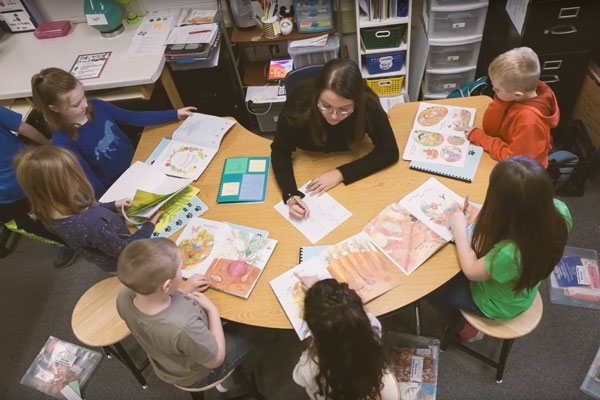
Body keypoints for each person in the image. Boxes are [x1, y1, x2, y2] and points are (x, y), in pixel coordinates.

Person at [427, 156, 571, 341]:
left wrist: (459, 229)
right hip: (521, 288)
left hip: (494, 304)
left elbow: (471, 271)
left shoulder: (510, 253)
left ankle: (465, 329)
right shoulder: (561, 211)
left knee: (433, 287)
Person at [116, 238, 274, 392]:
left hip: (171, 361)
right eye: (180, 269)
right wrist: (212, 311)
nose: (182, 272)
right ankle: (232, 380)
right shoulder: (182, 327)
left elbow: (156, 309)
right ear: (167, 285)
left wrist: (184, 290)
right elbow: (216, 359)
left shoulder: (124, 297)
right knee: (264, 327)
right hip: (201, 372)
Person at [30, 67, 197, 197]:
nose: (85, 104)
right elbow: (88, 180)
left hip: (139, 161)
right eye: (75, 104)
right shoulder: (63, 141)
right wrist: (110, 206)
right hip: (119, 184)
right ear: (55, 108)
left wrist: (174, 114)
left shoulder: (97, 105)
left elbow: (133, 117)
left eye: (83, 96)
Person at [271, 59, 399, 219]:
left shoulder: (368, 104)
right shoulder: (300, 100)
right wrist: (290, 194)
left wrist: (341, 173)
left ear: (357, 102)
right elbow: (280, 150)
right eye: (325, 106)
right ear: (316, 95)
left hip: (349, 177)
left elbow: (389, 151)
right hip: (307, 164)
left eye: (344, 109)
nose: (333, 116)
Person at [14, 146, 161, 272]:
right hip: (125, 261)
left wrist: (113, 205)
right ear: (57, 187)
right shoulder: (91, 224)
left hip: (108, 246)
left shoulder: (49, 208)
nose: (79, 178)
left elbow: (87, 210)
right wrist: (149, 225)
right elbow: (127, 250)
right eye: (73, 176)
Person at [292, 277, 398, 400]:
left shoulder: (310, 365)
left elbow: (298, 378)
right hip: (368, 388)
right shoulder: (374, 331)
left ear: (314, 332)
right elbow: (349, 315)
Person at [0, 105, 77, 268]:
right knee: (56, 201)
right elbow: (23, 127)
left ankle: (66, 243)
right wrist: (47, 145)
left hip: (9, 191)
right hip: (28, 169)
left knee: (29, 223)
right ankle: (80, 233)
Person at [467, 47, 559, 168]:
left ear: (517, 94)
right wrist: (500, 100)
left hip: (523, 171)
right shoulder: (518, 94)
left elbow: (514, 158)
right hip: (510, 150)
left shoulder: (530, 122)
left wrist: (479, 137)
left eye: (497, 89)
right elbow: (490, 129)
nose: (493, 90)